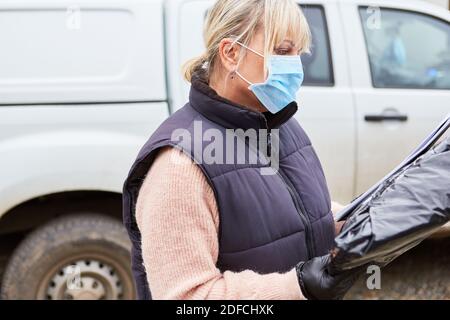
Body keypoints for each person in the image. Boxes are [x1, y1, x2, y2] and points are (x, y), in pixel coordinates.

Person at [122, 0, 361, 300]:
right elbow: (189, 300)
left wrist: (353, 218)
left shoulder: (281, 124)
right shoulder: (179, 166)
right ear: (231, 53)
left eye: (299, 53)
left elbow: (298, 216)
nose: (296, 66)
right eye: (284, 50)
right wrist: (297, 287)